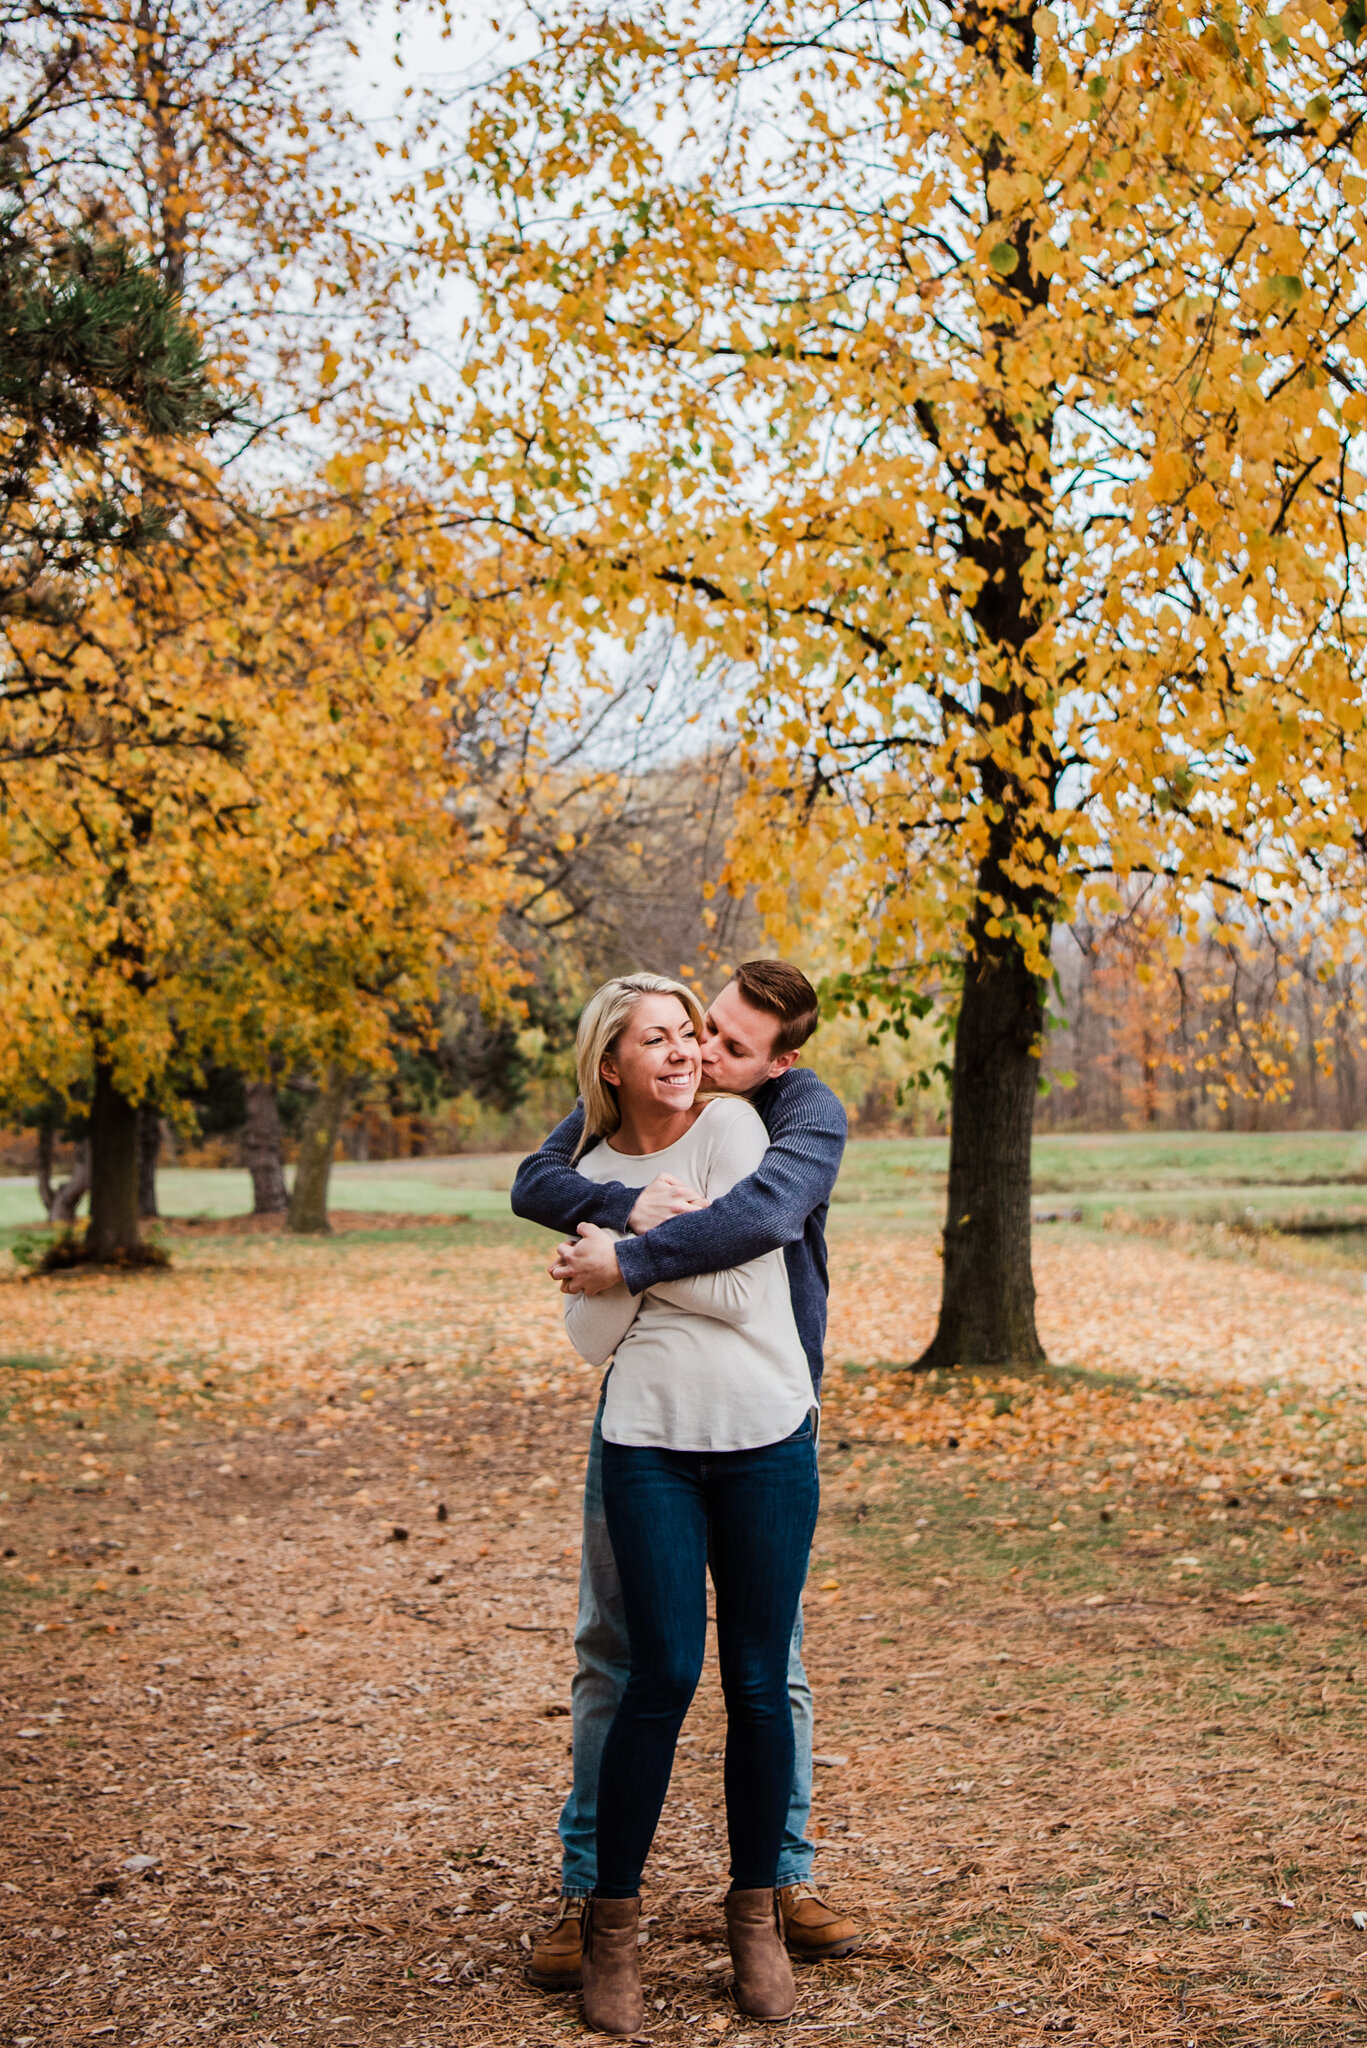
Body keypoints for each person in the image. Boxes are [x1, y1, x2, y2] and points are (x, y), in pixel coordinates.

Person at [512, 960, 859, 1993]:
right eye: (678, 1031)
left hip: (765, 1416)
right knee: (629, 1661)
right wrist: (630, 1208)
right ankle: (598, 1902)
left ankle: (770, 1892)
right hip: (646, 1430)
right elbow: (557, 1249)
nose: (696, 1053)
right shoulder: (589, 1141)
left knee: (765, 1670)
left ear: (775, 1060)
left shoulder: (782, 1117)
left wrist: (631, 1256)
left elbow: (755, 1257)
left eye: (716, 1041)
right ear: (611, 1061)